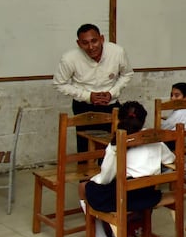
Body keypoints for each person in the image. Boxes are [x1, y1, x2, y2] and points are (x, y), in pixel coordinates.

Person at [78, 101, 175, 237]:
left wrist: (95, 179)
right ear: (143, 120)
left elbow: (105, 178)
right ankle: (120, 233)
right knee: (107, 187)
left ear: (119, 120)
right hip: (149, 195)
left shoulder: (116, 143)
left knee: (84, 187)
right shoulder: (154, 138)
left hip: (125, 198)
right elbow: (170, 159)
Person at [53, 23, 134, 153]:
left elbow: (127, 74)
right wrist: (87, 96)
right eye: (85, 43)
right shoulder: (69, 58)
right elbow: (59, 83)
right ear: (79, 44)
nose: (91, 47)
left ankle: (108, 172)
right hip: (83, 106)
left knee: (112, 147)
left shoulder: (117, 52)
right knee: (85, 148)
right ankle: (86, 171)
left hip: (111, 104)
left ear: (102, 39)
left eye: (94, 41)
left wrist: (111, 93)